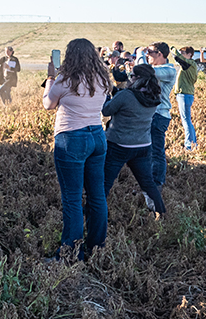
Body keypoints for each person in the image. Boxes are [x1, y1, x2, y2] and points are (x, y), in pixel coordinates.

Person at [43, 38, 110, 259]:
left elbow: (48, 104)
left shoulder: (65, 79)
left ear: (69, 55)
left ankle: (71, 252)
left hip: (72, 138)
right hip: (97, 136)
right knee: (97, 195)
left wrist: (50, 79)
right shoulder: (102, 77)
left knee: (72, 199)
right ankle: (96, 247)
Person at [102, 63, 166, 216]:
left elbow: (106, 110)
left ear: (138, 78)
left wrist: (107, 96)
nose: (129, 78)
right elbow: (132, 100)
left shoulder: (126, 95)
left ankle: (92, 213)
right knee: (148, 184)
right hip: (143, 146)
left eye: (131, 76)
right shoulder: (154, 95)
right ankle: (162, 213)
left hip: (118, 145)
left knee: (104, 184)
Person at [144, 43, 177, 192]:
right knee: (148, 152)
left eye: (150, 52)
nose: (147, 55)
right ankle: (149, 183)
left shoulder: (169, 70)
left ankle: (157, 184)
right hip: (151, 115)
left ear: (161, 54)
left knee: (156, 152)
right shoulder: (158, 69)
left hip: (159, 115)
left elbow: (147, 72)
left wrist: (139, 56)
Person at [172, 46, 199, 150]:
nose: (181, 54)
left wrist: (172, 48)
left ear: (189, 55)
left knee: (186, 120)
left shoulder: (189, 64)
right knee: (187, 120)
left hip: (184, 94)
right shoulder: (189, 65)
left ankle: (189, 145)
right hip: (185, 94)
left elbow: (177, 57)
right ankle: (193, 143)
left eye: (183, 52)